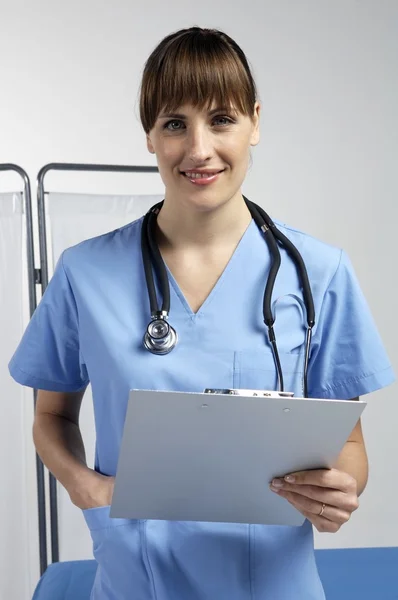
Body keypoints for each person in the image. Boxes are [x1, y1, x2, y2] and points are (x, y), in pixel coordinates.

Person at [9, 26, 394, 600]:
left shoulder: (320, 273)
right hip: (135, 581)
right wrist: (86, 487)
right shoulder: (84, 274)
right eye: (173, 124)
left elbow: (349, 447)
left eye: (221, 118)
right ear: (149, 136)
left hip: (273, 585)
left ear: (255, 122)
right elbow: (51, 419)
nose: (198, 149)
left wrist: (340, 490)